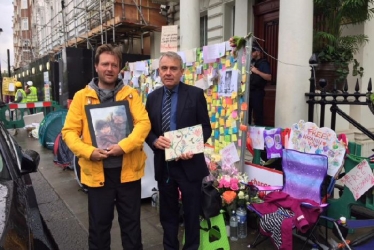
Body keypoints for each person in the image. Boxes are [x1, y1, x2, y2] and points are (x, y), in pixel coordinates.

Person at [61, 44, 151, 250]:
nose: (109, 69)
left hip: (128, 173)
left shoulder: (131, 94)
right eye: (105, 64)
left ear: (119, 68)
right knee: (99, 230)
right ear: (96, 66)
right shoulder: (81, 97)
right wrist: (89, 151)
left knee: (132, 228)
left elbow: (143, 124)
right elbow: (69, 132)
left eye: (114, 64)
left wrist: (124, 146)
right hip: (97, 175)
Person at [145, 51, 212, 250]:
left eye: (173, 68)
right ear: (159, 71)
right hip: (164, 165)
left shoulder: (195, 94)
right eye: (164, 68)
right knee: (167, 213)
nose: (168, 72)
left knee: (192, 213)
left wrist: (192, 147)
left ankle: (191, 247)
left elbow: (206, 128)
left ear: (181, 71)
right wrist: (154, 141)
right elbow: (147, 129)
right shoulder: (152, 98)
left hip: (189, 164)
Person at [248, 44, 271, 126]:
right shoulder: (251, 62)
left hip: (257, 92)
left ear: (258, 52)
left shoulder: (263, 63)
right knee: (247, 114)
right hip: (248, 91)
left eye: (253, 52)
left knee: (258, 114)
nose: (251, 54)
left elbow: (269, 77)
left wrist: (256, 71)